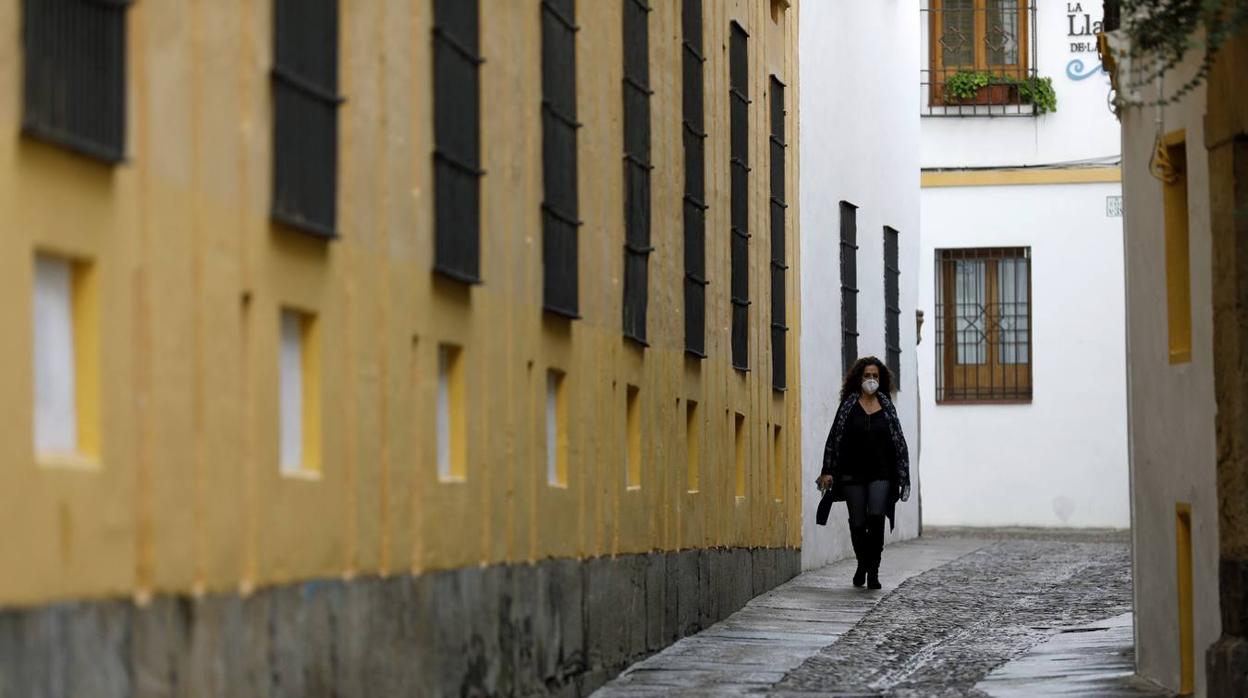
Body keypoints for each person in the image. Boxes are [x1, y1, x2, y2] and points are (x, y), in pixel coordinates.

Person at [815, 357, 911, 590]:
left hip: (881, 472)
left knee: (876, 518)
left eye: (875, 376)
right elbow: (834, 438)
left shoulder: (887, 407)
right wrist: (827, 470)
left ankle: (874, 571)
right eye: (867, 375)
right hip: (851, 473)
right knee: (858, 523)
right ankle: (862, 563)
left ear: (881, 379)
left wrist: (902, 474)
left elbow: (898, 441)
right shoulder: (848, 406)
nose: (871, 379)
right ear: (859, 378)